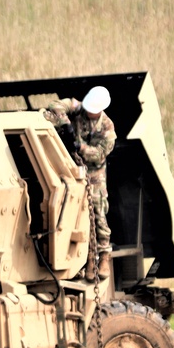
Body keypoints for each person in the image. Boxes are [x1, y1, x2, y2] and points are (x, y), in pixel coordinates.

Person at [44, 86, 116, 280]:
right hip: (71, 168)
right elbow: (55, 106)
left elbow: (99, 154)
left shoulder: (107, 128)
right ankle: (86, 258)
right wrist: (66, 124)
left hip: (94, 174)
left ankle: (102, 256)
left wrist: (79, 146)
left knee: (98, 214)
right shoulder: (78, 109)